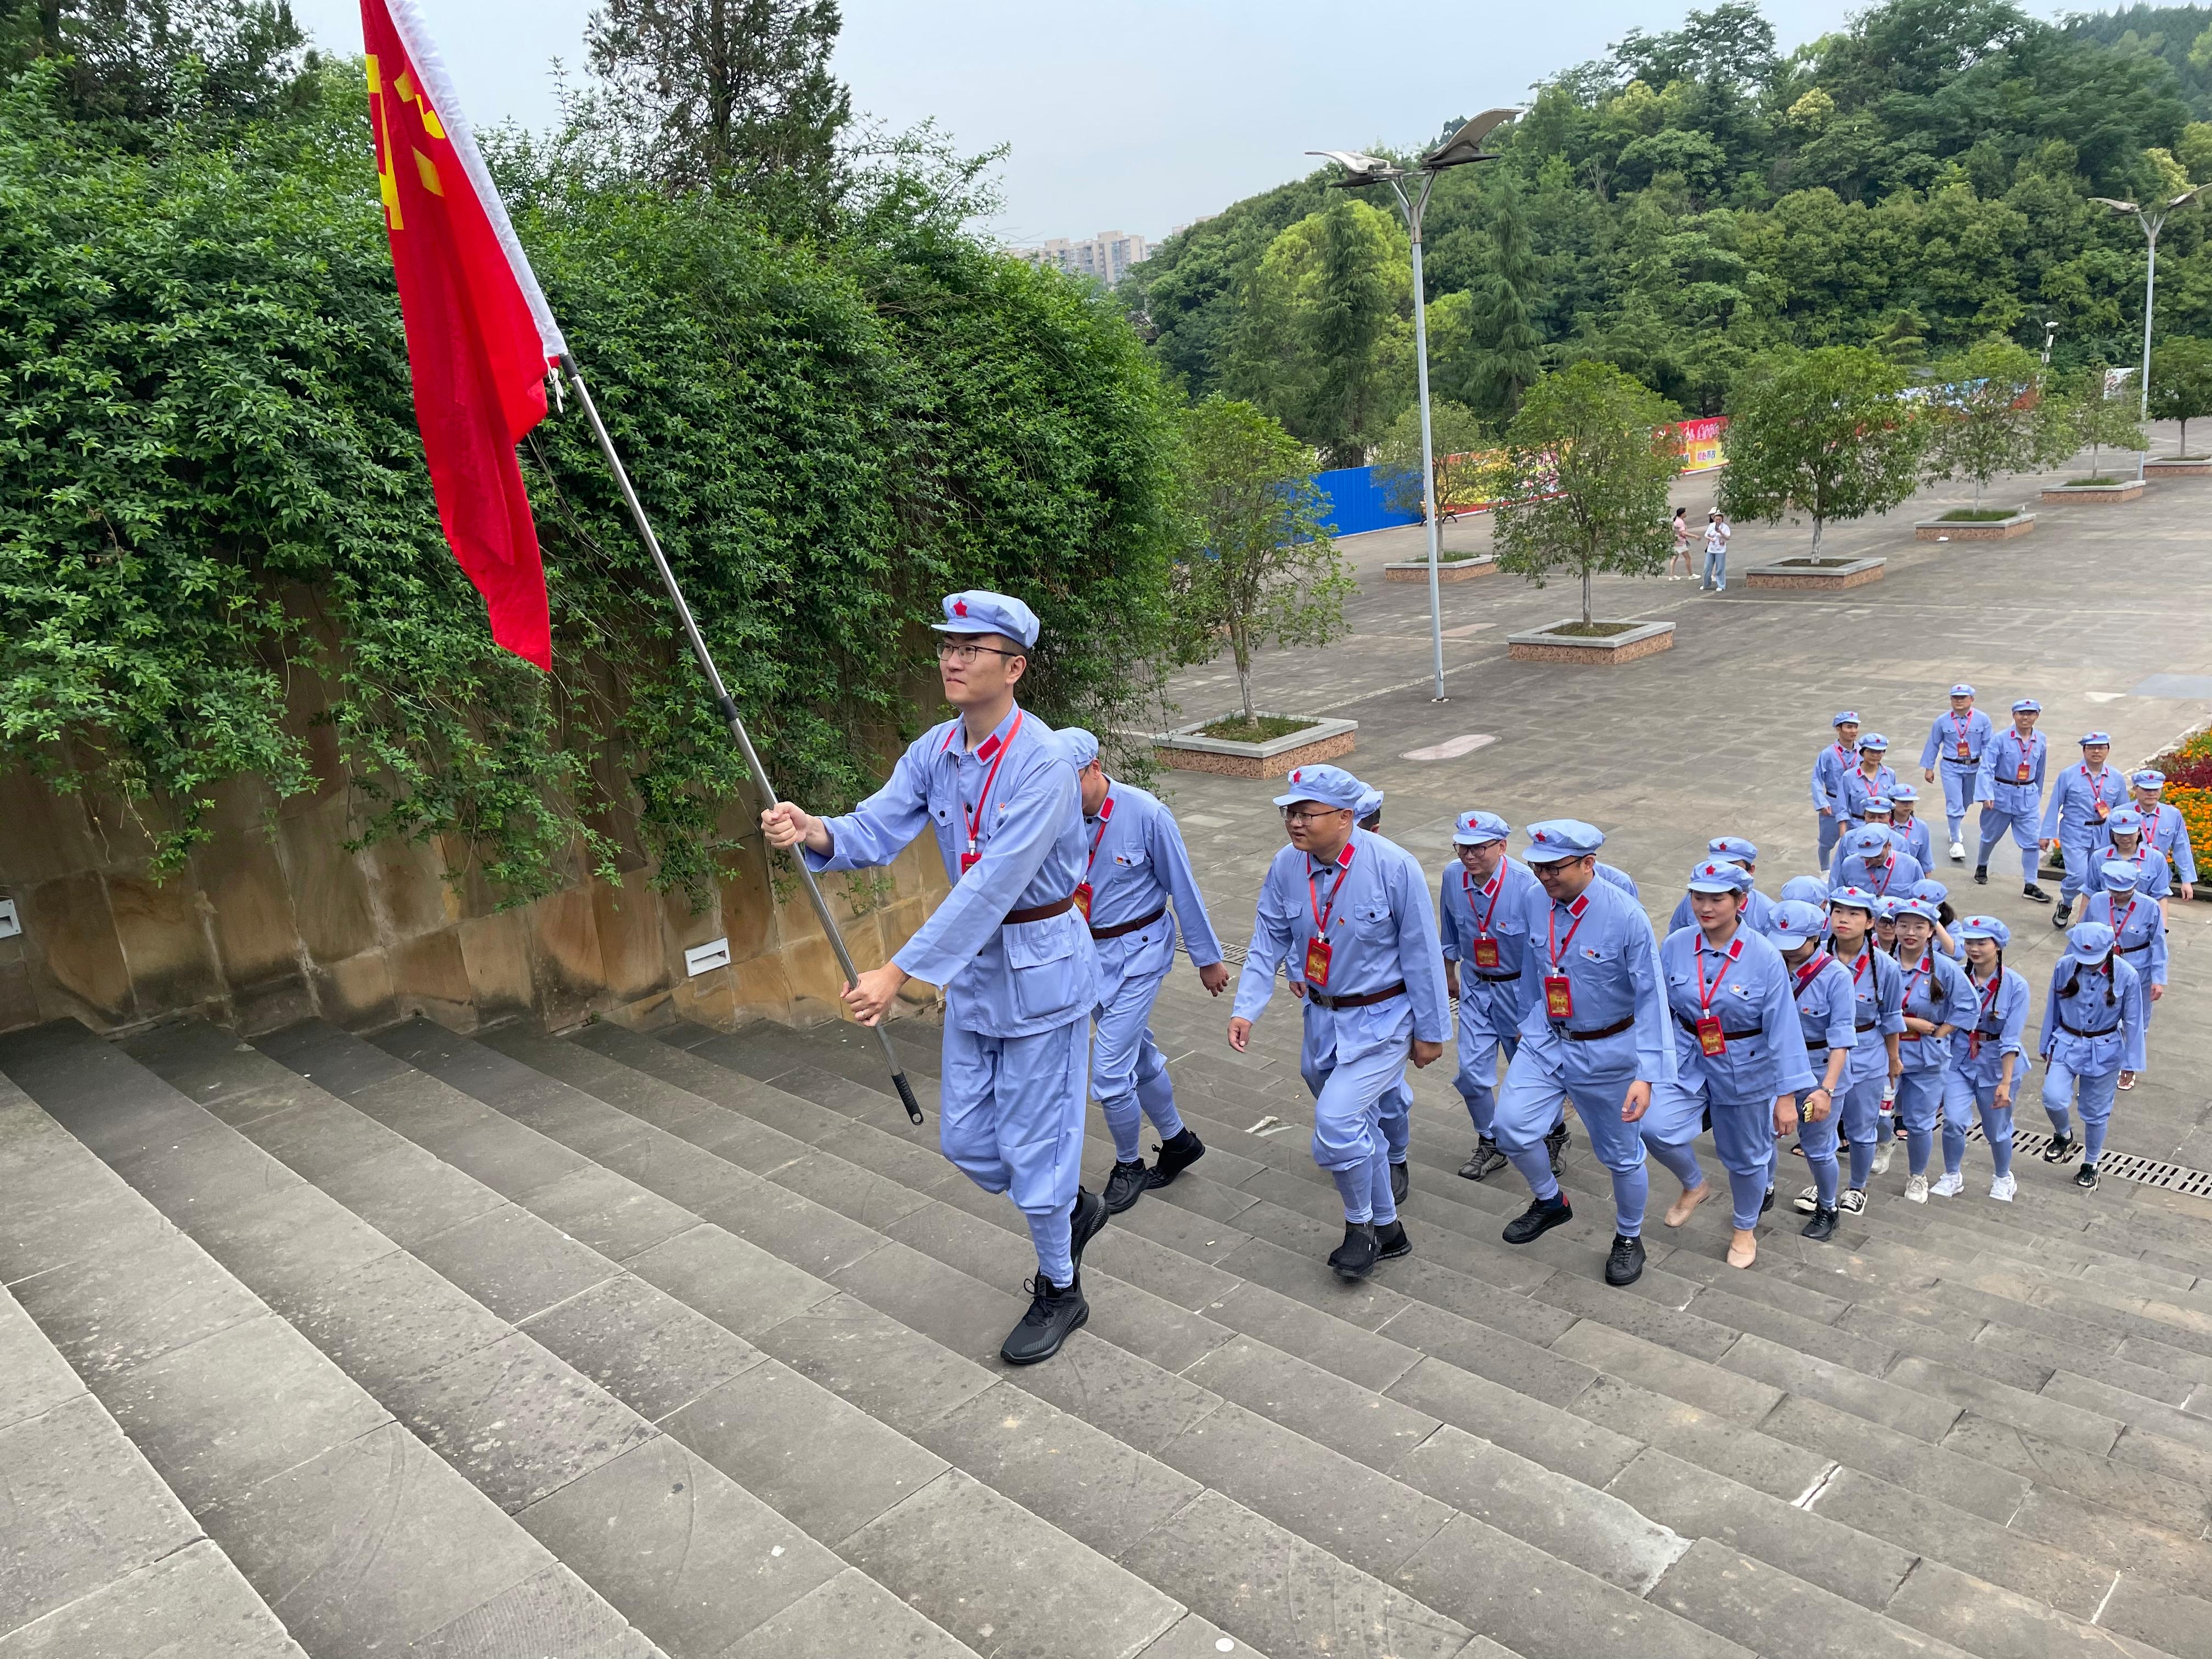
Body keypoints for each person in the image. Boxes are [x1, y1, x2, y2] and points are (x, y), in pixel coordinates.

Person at [760, 590, 1103, 1366]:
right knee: (967, 1140)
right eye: (948, 646)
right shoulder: (937, 750)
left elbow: (994, 884)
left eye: (971, 649)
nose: (952, 659)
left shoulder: (1044, 765)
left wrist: (898, 971)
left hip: (1043, 972)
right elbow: (878, 826)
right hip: (978, 974)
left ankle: (1061, 1287)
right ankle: (1069, 1204)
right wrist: (814, 830)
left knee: (1035, 1150)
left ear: (1014, 669)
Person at [1230, 766, 1449, 1281]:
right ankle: (1390, 1231)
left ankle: (1360, 1227)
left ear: (1346, 817)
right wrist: (1246, 1008)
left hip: (1383, 1023)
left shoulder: (1394, 867)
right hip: (1323, 1020)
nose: (1295, 823)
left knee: (1334, 1125)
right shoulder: (1286, 866)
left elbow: (1423, 954)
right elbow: (1267, 940)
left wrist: (1432, 1032)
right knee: (1358, 1126)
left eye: (1307, 814)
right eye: (1290, 812)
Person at [1491, 820, 1676, 1288]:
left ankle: (1629, 1236)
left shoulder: (1626, 916)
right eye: (1538, 867)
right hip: (1547, 1040)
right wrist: (1526, 1020)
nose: (1544, 876)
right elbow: (1535, 965)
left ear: (1589, 864)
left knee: (1621, 1156)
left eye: (1555, 868)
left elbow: (1652, 997)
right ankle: (1550, 1200)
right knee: (1510, 1128)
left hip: (1608, 1051)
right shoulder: (1535, 900)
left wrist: (1647, 1074)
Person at [1059, 729, 1231, 1216]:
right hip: (1087, 957)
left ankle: (1129, 1165)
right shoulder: (1058, 817)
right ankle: (1178, 1142)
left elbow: (1184, 887)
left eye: (1069, 782)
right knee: (1138, 1055)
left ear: (1095, 769)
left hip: (1140, 954)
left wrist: (1208, 959)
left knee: (1110, 1071)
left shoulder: (1146, 814)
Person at [1640, 862, 1813, 1269]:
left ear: (1741, 901)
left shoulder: (1765, 956)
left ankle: (1744, 1228)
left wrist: (1786, 1095)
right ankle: (1694, 1185)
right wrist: (1646, 1068)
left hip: (1744, 1064)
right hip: (1688, 1055)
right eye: (1698, 897)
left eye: (1717, 899)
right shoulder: (1677, 944)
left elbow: (1784, 1028)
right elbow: (1657, 1007)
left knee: (1747, 1157)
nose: (1705, 907)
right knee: (1653, 1126)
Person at [1436, 810, 1560, 1182]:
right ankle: (1489, 1140)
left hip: (1519, 991)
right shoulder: (1452, 876)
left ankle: (1554, 1133)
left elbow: (1544, 951)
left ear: (1502, 847)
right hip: (1476, 986)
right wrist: (1449, 972)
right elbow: (1449, 926)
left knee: (1532, 1073)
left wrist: (1539, 1010)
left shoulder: (1527, 886)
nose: (1469, 856)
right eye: (1462, 847)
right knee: (1471, 1074)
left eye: (1479, 848)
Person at [1816, 886, 1904, 1216]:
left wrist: (1893, 1059)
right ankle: (1822, 1182)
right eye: (1838, 911)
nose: (1844, 919)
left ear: (1870, 923)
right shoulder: (1817, 958)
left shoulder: (1885, 967)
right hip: (1822, 1053)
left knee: (1861, 1127)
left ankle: (1857, 1186)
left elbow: (1891, 1018)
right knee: (1820, 1126)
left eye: (1854, 914)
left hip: (1866, 1053)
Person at [1770, 900, 1855, 1240]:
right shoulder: (1770, 964)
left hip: (1817, 1072)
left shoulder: (1836, 977)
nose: (1787, 952)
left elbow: (1841, 1040)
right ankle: (1763, 1188)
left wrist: (1827, 1090)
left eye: (1795, 944)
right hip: (1774, 1068)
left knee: (1818, 1147)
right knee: (1762, 1134)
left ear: (1816, 937)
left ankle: (1828, 1207)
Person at [2038, 921, 2146, 1190]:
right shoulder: (2064, 966)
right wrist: (2046, 1043)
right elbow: (2053, 1007)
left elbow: (2133, 1021)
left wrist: (2131, 1062)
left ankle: (2091, 1163)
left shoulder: (2127, 975)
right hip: (2066, 1041)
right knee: (2052, 1096)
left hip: (2105, 1048)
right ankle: (2064, 1135)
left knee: (2096, 1112)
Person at [1887, 896, 1977, 1204]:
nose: (1910, 932)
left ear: (1931, 931)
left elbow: (1969, 1006)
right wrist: (1907, 1021)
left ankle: (1917, 1175)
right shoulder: (1880, 963)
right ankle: (1884, 1144)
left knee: (1919, 1123)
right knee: (1876, 1113)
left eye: (1919, 926)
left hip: (1927, 1055)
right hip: (1885, 1051)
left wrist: (1942, 1031)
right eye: (1903, 925)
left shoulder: (1945, 968)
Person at [1939, 917, 2028, 1202]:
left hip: (1996, 1063)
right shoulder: (1956, 976)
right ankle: (1952, 1175)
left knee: (1997, 1130)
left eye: (1982, 943)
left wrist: (2006, 1082)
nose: (1974, 949)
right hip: (1959, 1059)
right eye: (1969, 943)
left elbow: (2011, 1038)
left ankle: (2003, 1177)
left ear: (1998, 946)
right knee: (1953, 1121)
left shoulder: (2016, 985)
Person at [2083, 860, 2166, 1081]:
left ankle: (2130, 1065)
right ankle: (2100, 1059)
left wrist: (2159, 979)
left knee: (2136, 1019)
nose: (2119, 896)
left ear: (2135, 886)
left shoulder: (2150, 906)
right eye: (2115, 891)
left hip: (2139, 968)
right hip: (2102, 967)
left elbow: (2159, 944)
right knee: (2101, 1014)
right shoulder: (2098, 901)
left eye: (2125, 892)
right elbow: (2084, 935)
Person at [2041, 732, 2123, 927]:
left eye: (2101, 748)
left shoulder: (2116, 777)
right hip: (2075, 831)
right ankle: (2067, 902)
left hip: (2104, 834)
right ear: (2084, 750)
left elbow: (2122, 810)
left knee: (2101, 877)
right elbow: (2054, 805)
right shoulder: (2069, 775)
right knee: (2080, 875)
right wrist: (2046, 834)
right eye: (2092, 748)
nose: (2097, 752)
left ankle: (2090, 916)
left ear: (2108, 750)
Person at [1974, 699, 2051, 902]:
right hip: (2000, 795)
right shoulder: (2000, 739)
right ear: (2014, 715)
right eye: (2021, 713)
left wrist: (2037, 794)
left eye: (2030, 713)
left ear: (2037, 716)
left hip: (2027, 797)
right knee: (1990, 836)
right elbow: (1987, 767)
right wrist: (1986, 794)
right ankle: (1982, 864)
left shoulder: (2041, 739)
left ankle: (2031, 884)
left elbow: (2040, 770)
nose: (2025, 717)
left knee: (2032, 842)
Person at [1918, 684, 1994, 862]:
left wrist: (1990, 769)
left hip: (1974, 766)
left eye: (1963, 697)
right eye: (1955, 698)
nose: (1959, 701)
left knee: (1967, 800)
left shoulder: (1982, 719)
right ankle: (1956, 841)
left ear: (1972, 699)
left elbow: (1988, 745)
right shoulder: (1942, 721)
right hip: (1951, 766)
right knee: (1954, 801)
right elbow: (1933, 744)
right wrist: (1929, 768)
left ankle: (1956, 824)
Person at [1666, 837, 1775, 935]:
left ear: (1751, 870)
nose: (1721, 871)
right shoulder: (1693, 899)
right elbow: (1675, 934)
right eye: (1716, 865)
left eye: (1732, 867)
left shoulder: (1768, 911)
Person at [2131, 769, 2197, 901]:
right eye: (2146, 789)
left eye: (2156, 789)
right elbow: (2107, 848)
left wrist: (2187, 880)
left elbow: (2181, 847)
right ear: (2135, 789)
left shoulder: (2173, 814)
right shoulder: (2121, 814)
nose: (2152, 794)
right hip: (2128, 877)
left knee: (2158, 912)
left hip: (2159, 877)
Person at [1812, 712, 1863, 864]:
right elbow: (1816, 779)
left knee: (1854, 841)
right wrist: (1821, 803)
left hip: (1855, 804)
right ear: (1839, 729)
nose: (1854, 731)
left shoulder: (1863, 752)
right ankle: (1825, 870)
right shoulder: (1828, 754)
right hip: (1833, 802)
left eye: (1856, 727)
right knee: (1826, 842)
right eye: (1849, 727)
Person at [1832, 823, 1924, 899]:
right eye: (1866, 857)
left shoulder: (1911, 866)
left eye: (1877, 856)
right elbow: (1840, 897)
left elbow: (1922, 900)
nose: (1872, 861)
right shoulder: (1849, 865)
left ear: (1889, 846)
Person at [1839, 734, 1898, 832]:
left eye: (1879, 752)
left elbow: (1894, 803)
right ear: (1862, 752)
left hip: (1883, 828)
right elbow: (1842, 808)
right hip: (1857, 828)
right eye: (1871, 751)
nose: (1875, 755)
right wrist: (1843, 833)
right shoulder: (1849, 776)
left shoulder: (1890, 774)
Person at [1887, 786, 1934, 873]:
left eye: (1911, 802)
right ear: (1892, 802)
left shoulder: (1921, 827)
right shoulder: (1885, 825)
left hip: (1911, 874)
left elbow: (1925, 862)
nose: (1908, 805)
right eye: (1903, 802)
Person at [1701, 509, 1732, 592]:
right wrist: (1710, 539)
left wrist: (1721, 532)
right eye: (1717, 519)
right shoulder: (1711, 526)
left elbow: (1728, 538)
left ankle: (1721, 585)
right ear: (1714, 519)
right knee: (1707, 568)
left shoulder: (1725, 527)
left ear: (1722, 520)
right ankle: (1706, 584)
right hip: (1711, 550)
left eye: (1720, 520)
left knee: (1720, 569)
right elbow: (1706, 535)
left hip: (1720, 550)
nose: (1718, 521)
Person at [1670, 506, 1694, 578]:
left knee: (1674, 558)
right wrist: (1694, 536)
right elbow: (1683, 533)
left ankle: (1672, 575)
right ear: (1682, 514)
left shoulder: (1676, 520)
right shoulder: (1680, 522)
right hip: (1681, 542)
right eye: (1685, 513)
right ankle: (1691, 575)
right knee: (1688, 558)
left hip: (1675, 541)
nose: (1686, 514)